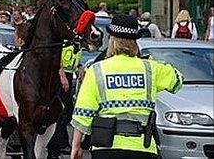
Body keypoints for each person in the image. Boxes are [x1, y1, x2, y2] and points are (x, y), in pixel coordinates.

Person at [70, 15, 184, 159]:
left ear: (112, 39)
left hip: (106, 148)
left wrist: (76, 146)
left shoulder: (97, 70)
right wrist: (155, 63)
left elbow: (83, 113)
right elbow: (177, 82)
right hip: (143, 148)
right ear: (135, 41)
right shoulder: (150, 68)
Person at [47, 42, 84, 158]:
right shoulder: (65, 39)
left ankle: (61, 143)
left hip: (67, 76)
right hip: (58, 77)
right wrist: (62, 75)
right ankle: (55, 147)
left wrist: (79, 67)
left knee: (66, 113)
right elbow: (57, 57)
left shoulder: (76, 41)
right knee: (59, 113)